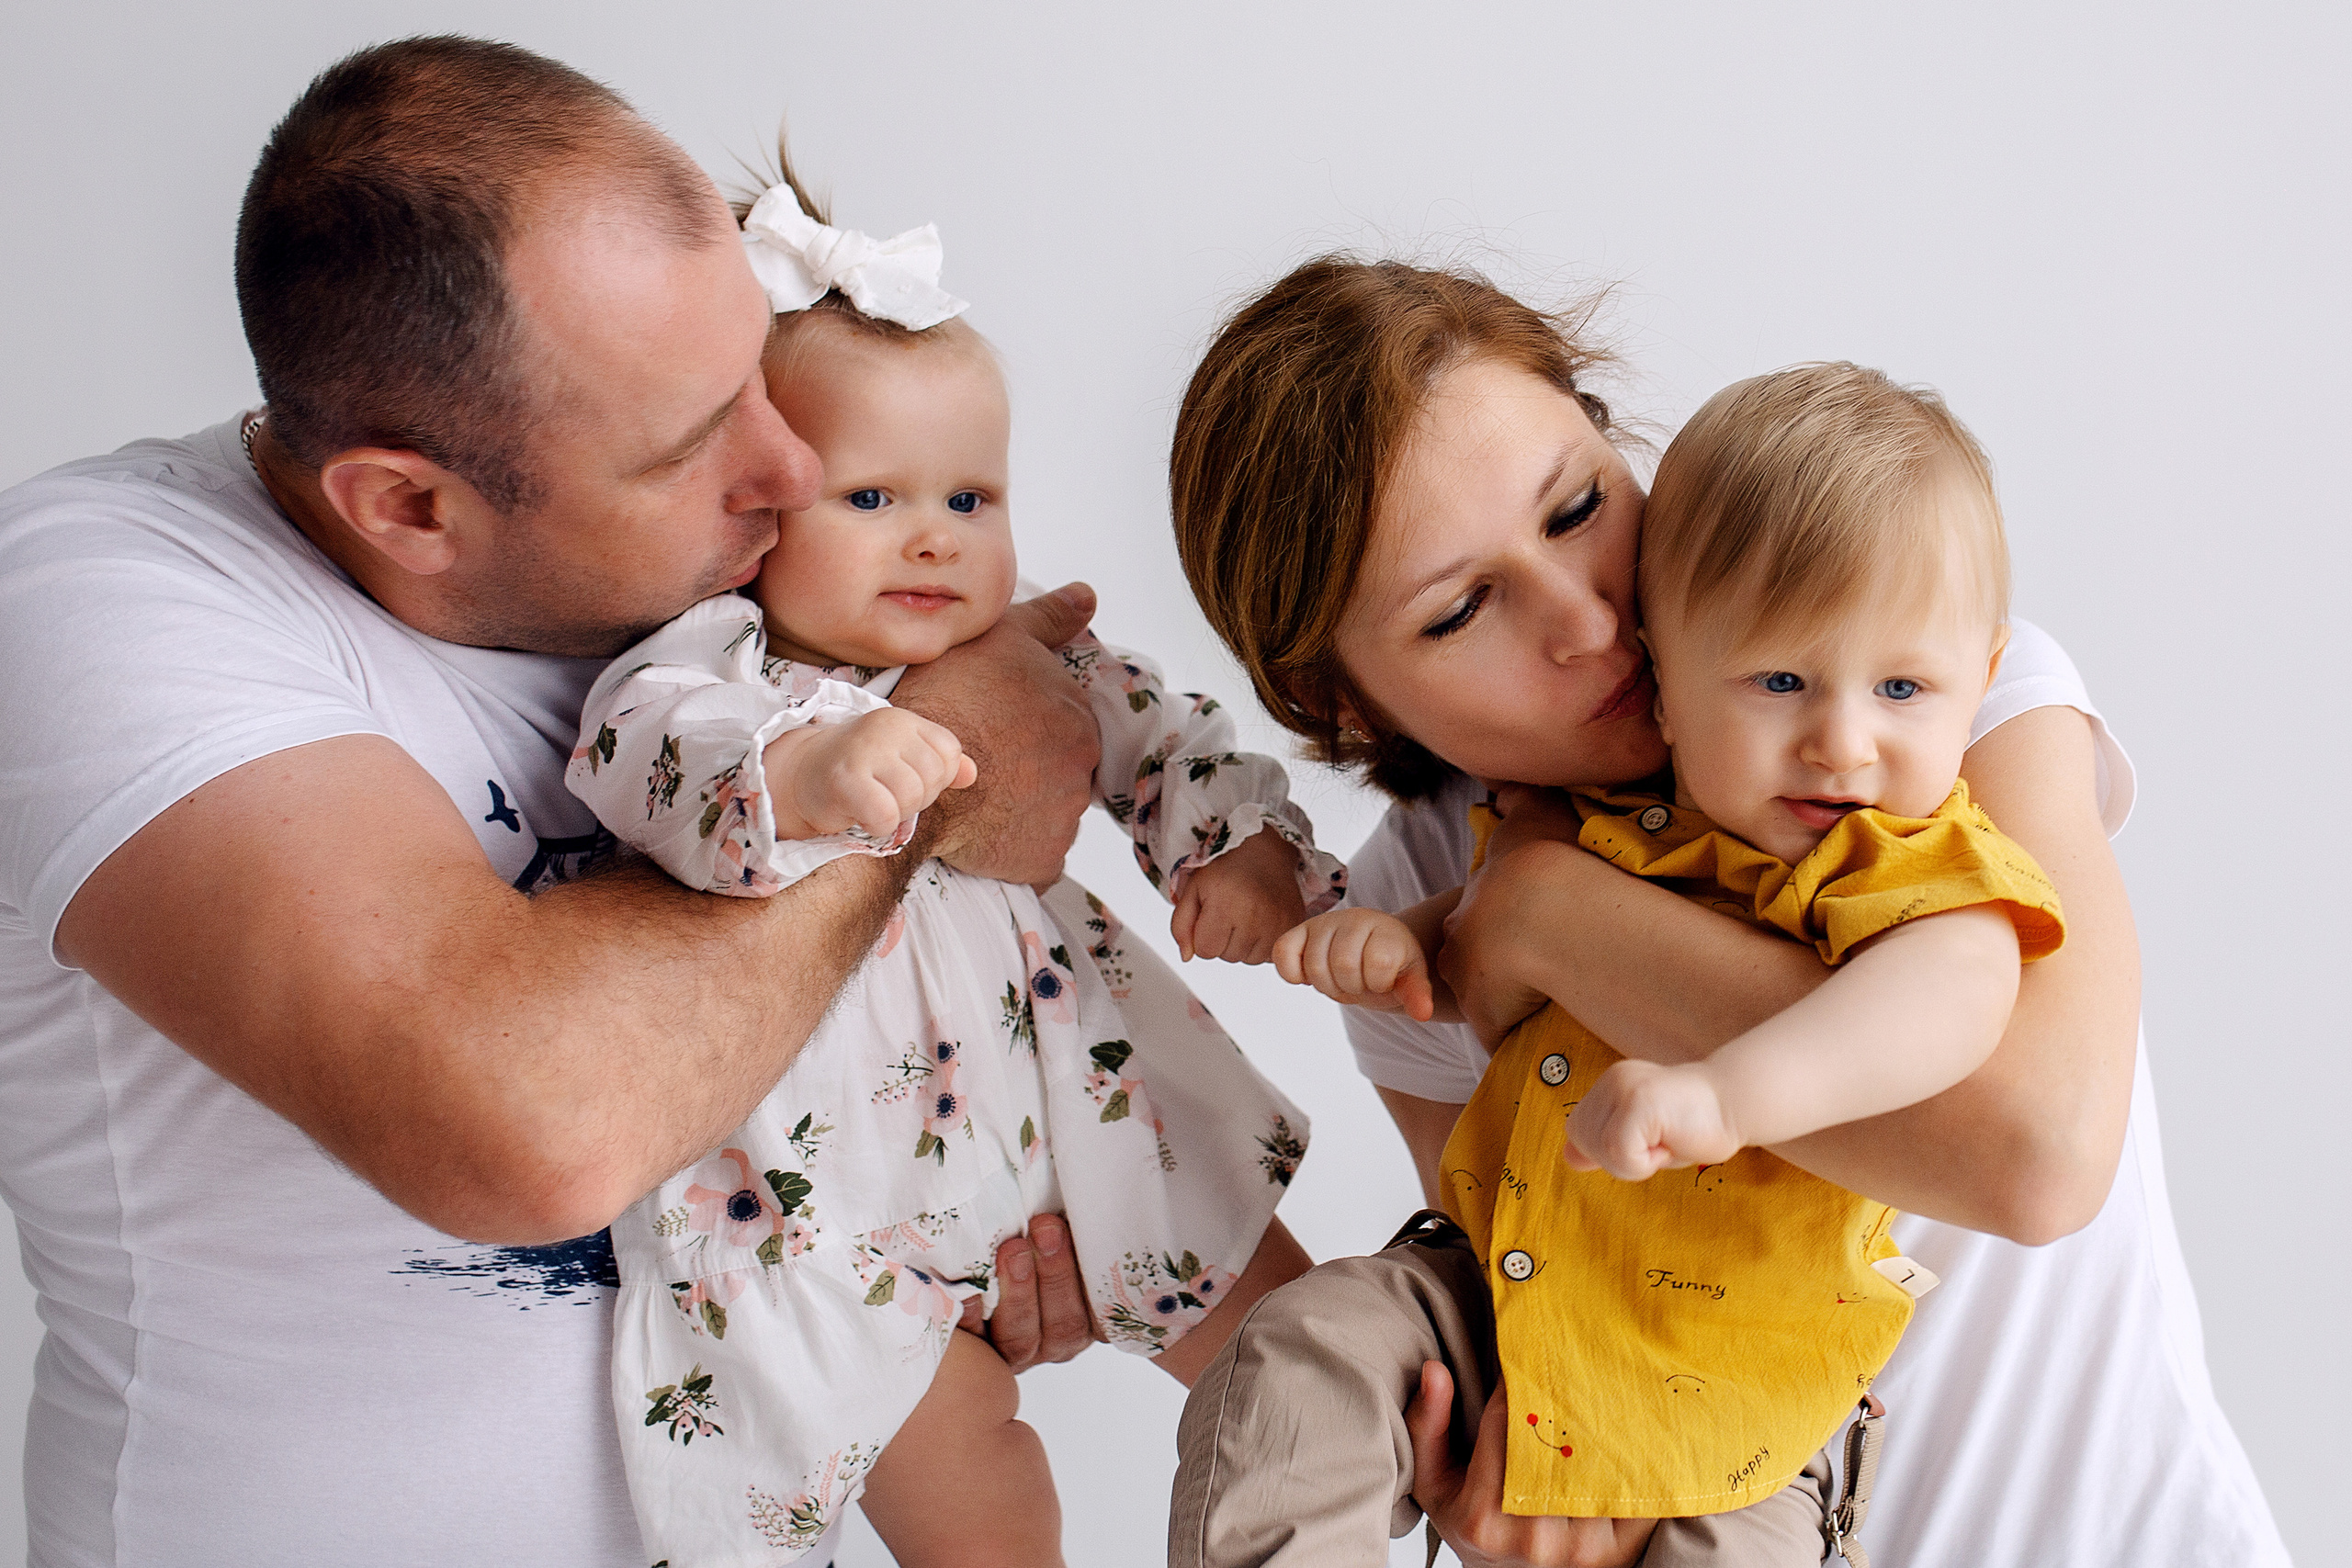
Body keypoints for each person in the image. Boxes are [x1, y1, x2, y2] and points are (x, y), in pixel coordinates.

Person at [0, 39, 1102, 1564]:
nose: (791, 468)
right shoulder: (102, 595)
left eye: (761, 375)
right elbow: (534, 1132)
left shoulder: (731, 593)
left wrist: (974, 1219)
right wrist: (921, 788)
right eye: (691, 440)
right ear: (408, 506)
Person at [1164, 257, 2286, 1566]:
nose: (1588, 619)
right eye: (1465, 607)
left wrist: (1544, 916)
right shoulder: (1416, 904)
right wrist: (1519, 1501)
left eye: (1580, 506)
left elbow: (2032, 1158)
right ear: (1345, 705)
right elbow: (1564, 1314)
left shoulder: (1908, 698)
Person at [567, 162, 1328, 1566]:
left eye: (972, 498)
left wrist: (1238, 856)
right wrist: (809, 773)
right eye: (871, 497)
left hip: (1083, 1108)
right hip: (835, 1188)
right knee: (977, 1483)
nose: (935, 536)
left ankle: (1355, 1484)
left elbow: (1166, 734)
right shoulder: (720, 670)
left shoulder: (1030, 658)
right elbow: (641, 758)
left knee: (1301, 1348)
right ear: (752, 511)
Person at [1240, 360, 2065, 1564]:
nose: (1843, 737)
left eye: (1575, 509)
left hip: (1755, 1400)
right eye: (1780, 682)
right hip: (1517, 1316)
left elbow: (1953, 995)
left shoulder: (1910, 836)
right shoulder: (1590, 815)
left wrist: (1731, 1091)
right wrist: (1408, 933)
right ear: (1670, 681)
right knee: (1298, 1355)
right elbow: (1470, 943)